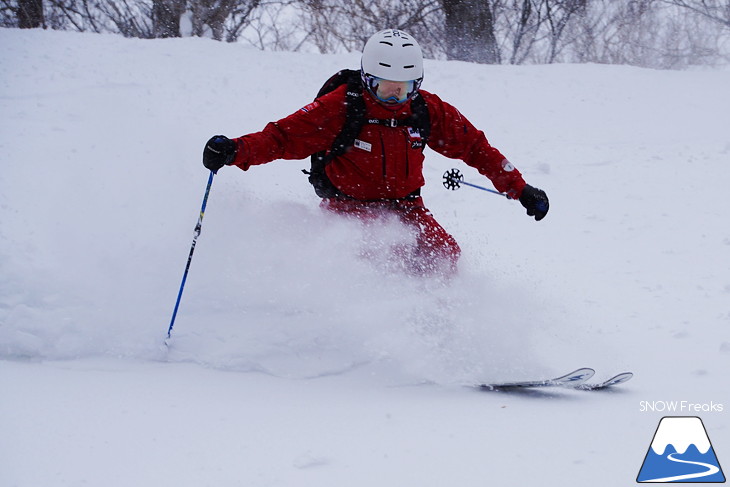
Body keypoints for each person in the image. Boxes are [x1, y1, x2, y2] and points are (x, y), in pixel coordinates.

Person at [202, 29, 548, 276]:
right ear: (368, 78)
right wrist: (234, 150)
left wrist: (520, 189)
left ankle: (442, 330)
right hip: (348, 207)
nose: (396, 98)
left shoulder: (425, 110)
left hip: (408, 207)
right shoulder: (341, 107)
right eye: (386, 88)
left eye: (406, 89)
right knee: (384, 255)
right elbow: (281, 138)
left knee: (443, 254)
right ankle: (372, 343)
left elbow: (476, 148)